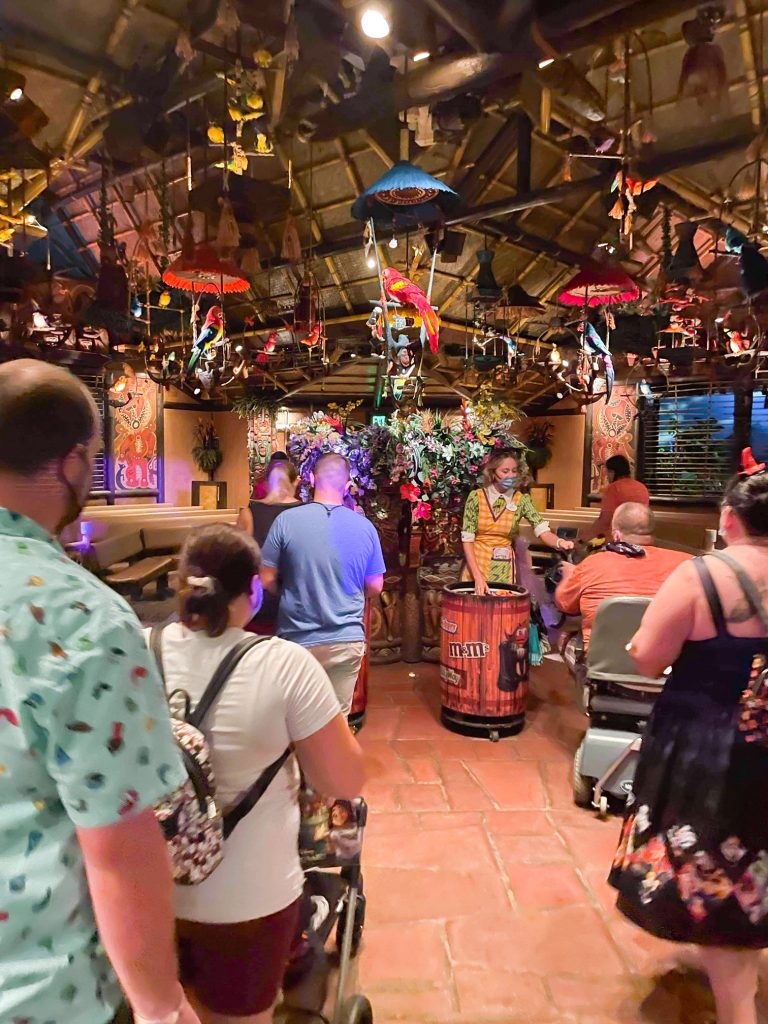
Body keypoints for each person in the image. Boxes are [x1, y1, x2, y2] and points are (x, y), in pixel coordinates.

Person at [0, 361, 198, 1024]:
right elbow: (118, 854)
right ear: (75, 462)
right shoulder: (82, 618)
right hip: (41, 996)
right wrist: (162, 1007)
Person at [151, 524, 365, 1024]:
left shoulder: (137, 650)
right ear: (252, 590)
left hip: (145, 896)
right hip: (248, 901)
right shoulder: (284, 665)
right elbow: (344, 782)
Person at [609, 457, 768, 1024]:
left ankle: (736, 1000)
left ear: (729, 519)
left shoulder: (703, 576)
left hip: (713, 758)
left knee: (721, 890)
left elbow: (648, 657)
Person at [261, 453, 385, 714]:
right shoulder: (365, 528)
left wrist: (291, 592)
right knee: (336, 721)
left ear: (311, 478)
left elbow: (266, 579)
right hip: (346, 639)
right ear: (348, 483)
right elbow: (375, 587)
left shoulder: (285, 521)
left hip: (297, 638)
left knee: (295, 720)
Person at [555, 502, 692, 675]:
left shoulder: (592, 564)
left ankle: (588, 691)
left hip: (604, 665)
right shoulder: (687, 564)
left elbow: (565, 604)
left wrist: (570, 575)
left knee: (563, 638)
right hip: (665, 667)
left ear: (617, 535)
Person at [461, 447, 573, 597]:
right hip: (477, 563)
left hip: (503, 567)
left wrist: (560, 542)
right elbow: (467, 539)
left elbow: (542, 530)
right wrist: (477, 576)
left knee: (501, 613)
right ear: (493, 473)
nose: (510, 476)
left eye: (514, 471)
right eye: (505, 471)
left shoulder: (521, 500)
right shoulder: (476, 497)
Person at [237, 458, 300, 634]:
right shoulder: (305, 512)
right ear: (296, 481)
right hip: (296, 599)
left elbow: (240, 559)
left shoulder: (249, 512)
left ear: (266, 483)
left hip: (260, 600)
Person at [579, 453, 650, 542]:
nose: (607, 476)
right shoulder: (642, 487)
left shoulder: (614, 488)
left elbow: (605, 521)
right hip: (640, 538)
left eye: (607, 472)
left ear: (613, 472)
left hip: (618, 541)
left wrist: (582, 539)